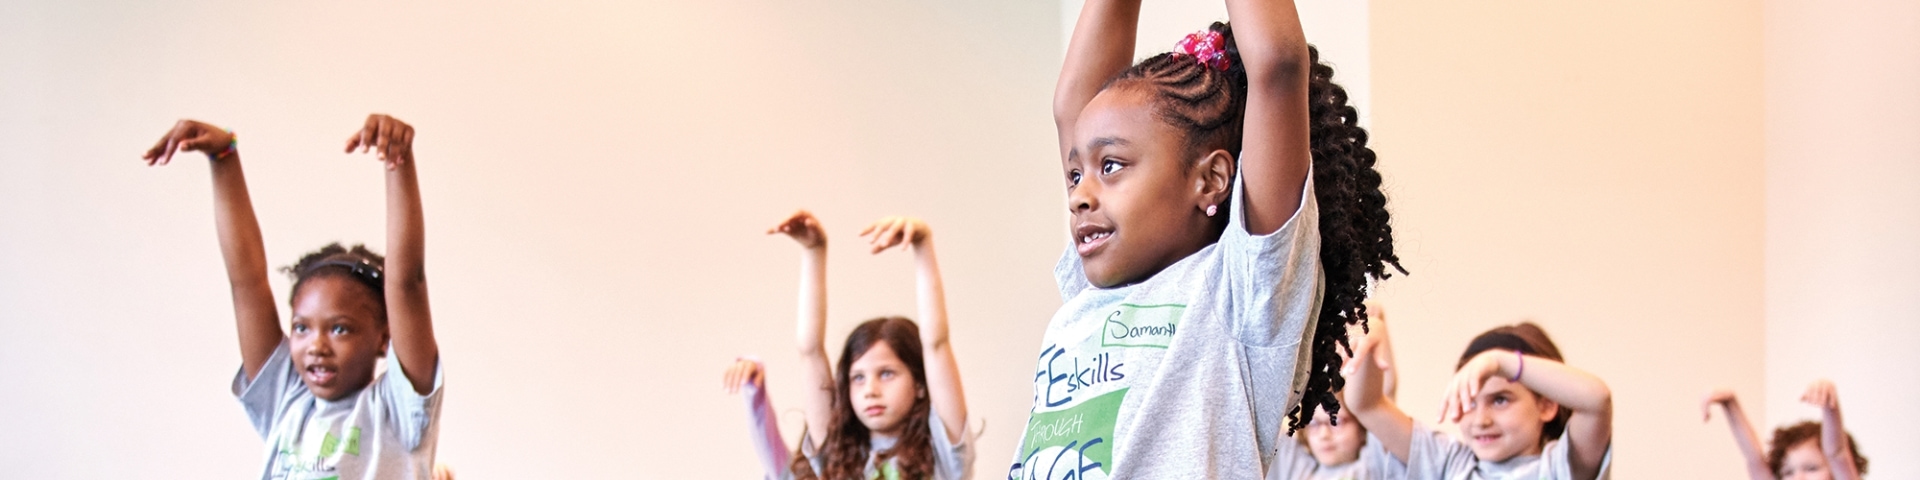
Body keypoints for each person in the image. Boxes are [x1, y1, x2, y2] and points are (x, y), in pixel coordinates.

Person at [141, 114, 444, 479]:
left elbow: (407, 282)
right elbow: (247, 284)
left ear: (384, 337)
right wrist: (224, 156)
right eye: (301, 328)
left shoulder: (397, 412)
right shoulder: (286, 398)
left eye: (340, 329)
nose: (316, 345)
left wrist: (399, 162)